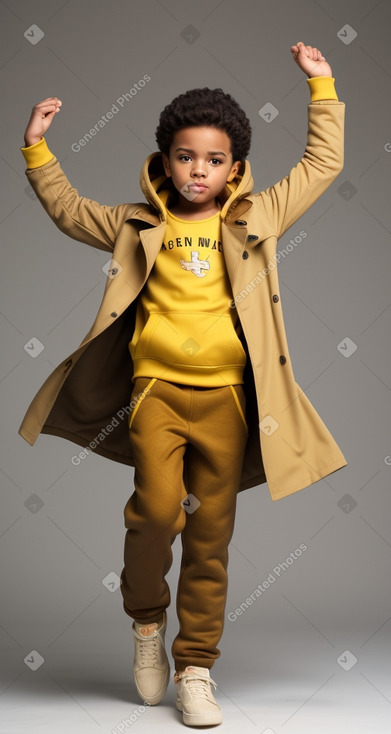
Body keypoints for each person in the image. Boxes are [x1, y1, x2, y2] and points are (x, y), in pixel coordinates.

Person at [19, 41, 347, 727]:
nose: (198, 170)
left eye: (214, 159)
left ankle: (195, 667)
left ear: (234, 170)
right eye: (185, 156)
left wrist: (322, 88)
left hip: (228, 399)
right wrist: (38, 153)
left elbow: (322, 166)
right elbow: (69, 211)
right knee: (158, 513)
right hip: (156, 394)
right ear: (164, 159)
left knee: (209, 536)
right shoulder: (137, 223)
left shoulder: (256, 218)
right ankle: (146, 628)